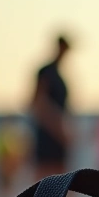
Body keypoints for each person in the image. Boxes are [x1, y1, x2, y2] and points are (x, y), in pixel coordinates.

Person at [29, 35, 74, 180]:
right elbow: (37, 103)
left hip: (59, 136)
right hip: (47, 134)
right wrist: (57, 127)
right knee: (43, 178)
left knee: (61, 179)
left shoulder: (61, 76)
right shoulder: (46, 72)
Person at [0, 115, 30, 197]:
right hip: (4, 170)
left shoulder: (15, 133)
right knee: (3, 193)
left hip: (10, 170)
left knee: (11, 193)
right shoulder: (0, 135)